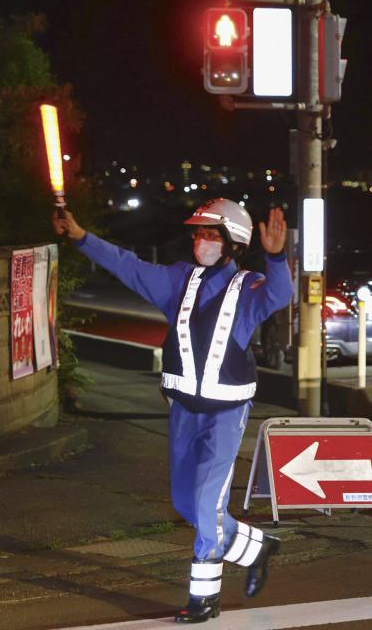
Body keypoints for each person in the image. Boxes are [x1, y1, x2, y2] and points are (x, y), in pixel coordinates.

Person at [54, 199, 293, 623]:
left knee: (205, 503)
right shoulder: (177, 281)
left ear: (233, 243)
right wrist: (81, 237)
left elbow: (280, 293)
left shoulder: (248, 289)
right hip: (184, 411)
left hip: (225, 416)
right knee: (186, 502)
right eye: (197, 233)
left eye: (210, 234)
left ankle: (204, 599)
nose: (199, 240)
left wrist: (276, 256)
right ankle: (257, 548)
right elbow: (128, 266)